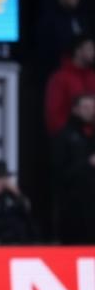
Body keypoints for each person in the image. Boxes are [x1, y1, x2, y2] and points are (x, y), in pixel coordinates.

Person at [52, 94, 95, 243]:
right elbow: (58, 172)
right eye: (86, 107)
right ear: (75, 109)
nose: (91, 111)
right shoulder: (65, 135)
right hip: (74, 207)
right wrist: (87, 163)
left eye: (93, 107)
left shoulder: (91, 134)